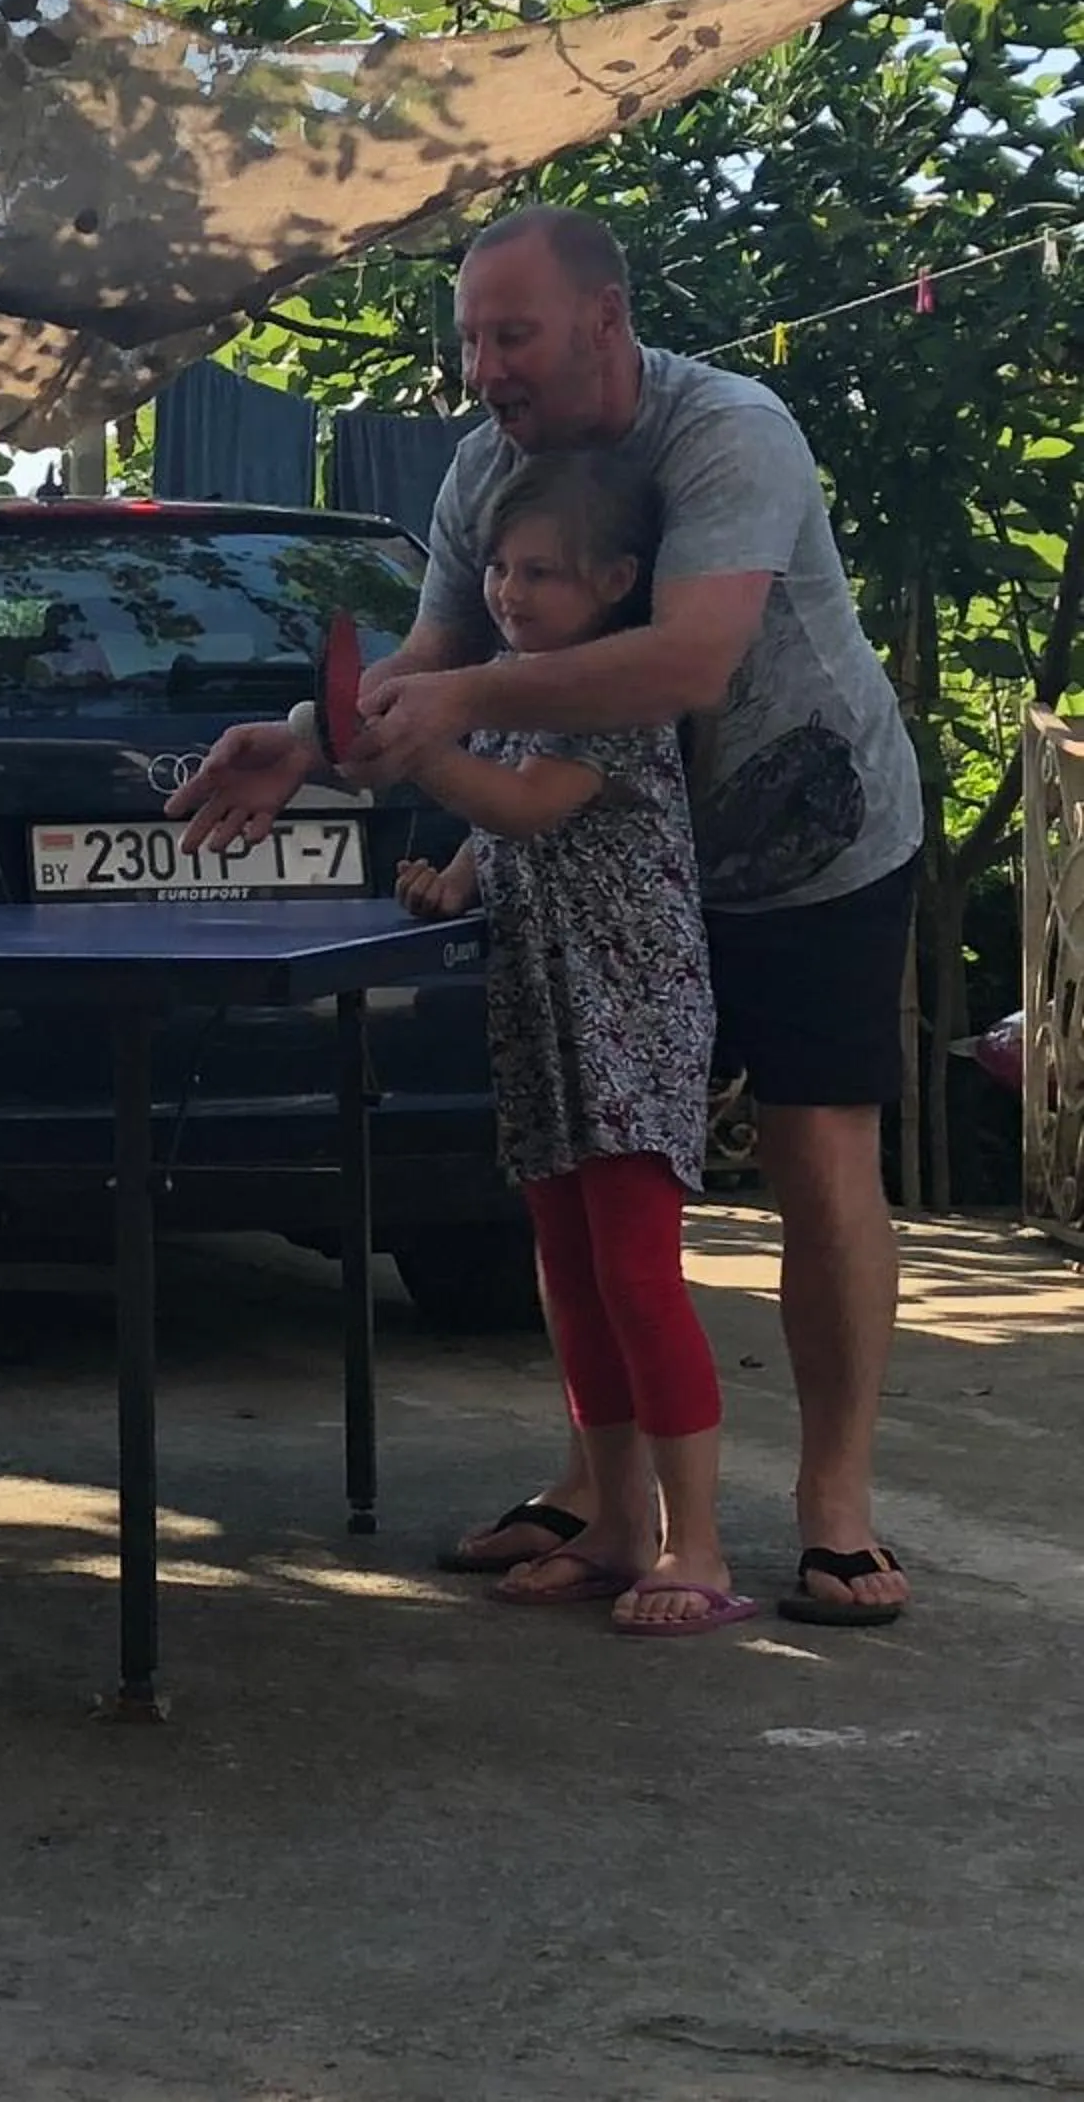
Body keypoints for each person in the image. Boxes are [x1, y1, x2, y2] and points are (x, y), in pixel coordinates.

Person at [166, 203, 923, 1628]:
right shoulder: (484, 473)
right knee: (584, 1199)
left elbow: (692, 657)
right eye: (469, 339)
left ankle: (834, 1509)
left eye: (510, 335)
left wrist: (456, 711)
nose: (483, 367)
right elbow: (439, 657)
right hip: (607, 887)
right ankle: (600, 1492)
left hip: (799, 834)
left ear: (605, 322)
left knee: (822, 1161)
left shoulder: (726, 432)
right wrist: (305, 737)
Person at [390, 452, 751, 1632]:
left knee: (638, 1275)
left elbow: (528, 803)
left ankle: (697, 1547)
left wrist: (415, 745)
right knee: (573, 1273)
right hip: (545, 1012)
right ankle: (611, 1523)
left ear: (616, 581)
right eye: (495, 566)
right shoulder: (504, 689)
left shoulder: (609, 695)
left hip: (631, 1013)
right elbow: (492, 835)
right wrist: (446, 879)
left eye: (539, 571)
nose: (506, 590)